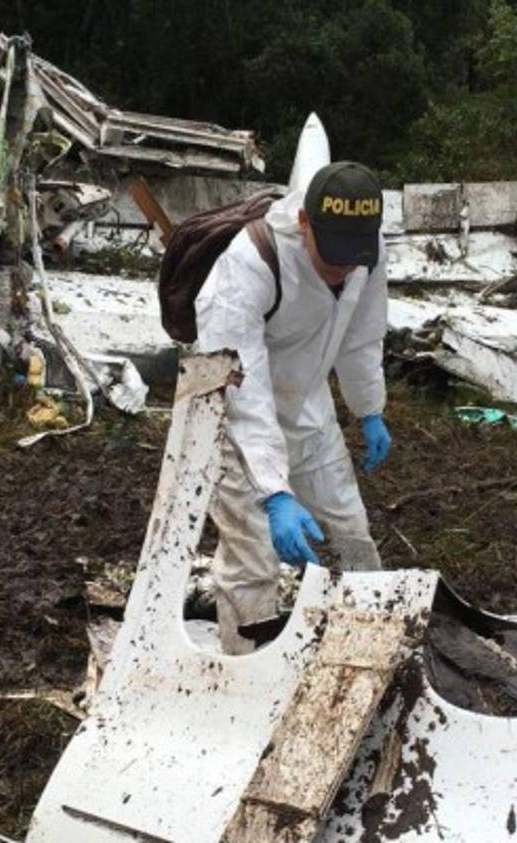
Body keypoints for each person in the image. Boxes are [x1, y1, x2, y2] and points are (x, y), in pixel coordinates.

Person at [194, 161, 391, 654]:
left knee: (350, 533)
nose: (344, 269)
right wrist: (274, 491)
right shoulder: (251, 264)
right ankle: (245, 676)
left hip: (308, 407)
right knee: (253, 561)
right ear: (304, 222)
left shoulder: (366, 250)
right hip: (233, 420)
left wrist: (368, 407)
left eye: (354, 256)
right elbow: (241, 384)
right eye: (333, 255)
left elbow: (363, 332)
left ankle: (366, 651)